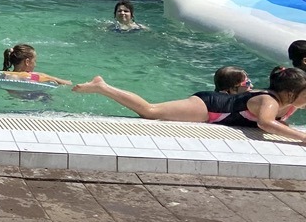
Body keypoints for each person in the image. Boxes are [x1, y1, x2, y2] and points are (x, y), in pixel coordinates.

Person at [73, 66, 306, 143]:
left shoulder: (289, 103)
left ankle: (102, 87)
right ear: (290, 93)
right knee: (150, 111)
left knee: (151, 112)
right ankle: (102, 87)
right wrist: (302, 138)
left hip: (218, 105)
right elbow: (266, 123)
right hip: (210, 106)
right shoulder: (269, 101)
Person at [0, 43, 73, 86]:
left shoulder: (4, 75)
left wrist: (4, 73)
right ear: (27, 62)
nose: (35, 64)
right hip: (32, 97)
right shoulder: (36, 76)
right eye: (35, 61)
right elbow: (68, 83)